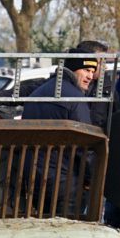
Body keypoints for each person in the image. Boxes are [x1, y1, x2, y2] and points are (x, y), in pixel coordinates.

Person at [21, 49, 102, 217]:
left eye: (93, 71)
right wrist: (89, 179)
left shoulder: (37, 93)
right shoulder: (75, 99)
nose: (90, 76)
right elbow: (84, 146)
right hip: (64, 180)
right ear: (73, 69)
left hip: (33, 176)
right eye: (86, 70)